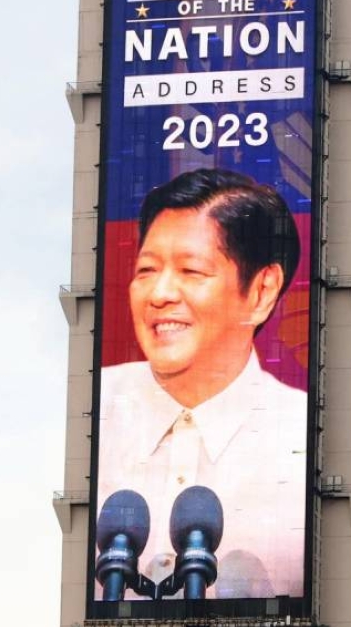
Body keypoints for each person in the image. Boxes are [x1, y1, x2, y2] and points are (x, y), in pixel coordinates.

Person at [96, 169, 307, 602]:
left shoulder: (304, 438)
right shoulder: (95, 410)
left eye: (191, 271)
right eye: (147, 270)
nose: (160, 294)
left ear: (262, 290)